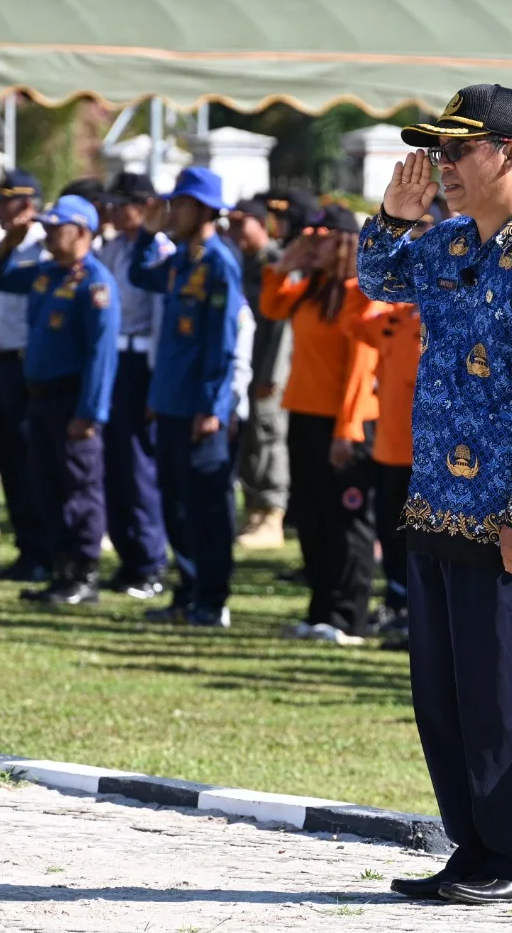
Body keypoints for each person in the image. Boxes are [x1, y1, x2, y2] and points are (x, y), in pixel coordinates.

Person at [359, 83, 512, 905]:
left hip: (506, 519)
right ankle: (473, 848)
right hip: (436, 504)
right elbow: (377, 277)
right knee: (449, 700)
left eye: (457, 150)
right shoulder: (454, 244)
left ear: (510, 154)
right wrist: (394, 214)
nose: (443, 166)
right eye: (438, 151)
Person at [0, 194, 120, 604]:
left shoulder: (95, 283)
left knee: (80, 488)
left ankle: (84, 574)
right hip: (40, 397)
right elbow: (3, 276)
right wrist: (11, 240)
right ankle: (60, 570)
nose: (45, 233)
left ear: (81, 232)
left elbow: (102, 355)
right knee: (47, 486)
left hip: (71, 399)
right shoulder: (47, 273)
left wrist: (89, 412)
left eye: (54, 226)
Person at [262, 204, 385, 644]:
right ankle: (320, 609)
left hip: (346, 426)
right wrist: (284, 265)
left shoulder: (363, 292)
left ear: (347, 243)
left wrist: (347, 431)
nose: (312, 246)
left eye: (323, 238)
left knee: (346, 520)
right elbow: (272, 306)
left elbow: (360, 370)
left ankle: (347, 616)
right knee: (313, 518)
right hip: (305, 416)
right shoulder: (315, 289)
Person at [128, 167, 243, 628]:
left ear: (206, 210)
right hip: (171, 401)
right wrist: (145, 233)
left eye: (181, 204)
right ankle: (187, 591)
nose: (172, 212)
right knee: (175, 503)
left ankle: (212, 601)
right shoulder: (180, 260)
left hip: (200, 409)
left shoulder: (219, 264)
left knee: (207, 508)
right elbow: (139, 275)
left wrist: (212, 407)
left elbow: (222, 343)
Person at [344, 213, 432, 649]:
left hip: (424, 453)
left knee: (419, 542)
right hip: (390, 450)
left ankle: (417, 614)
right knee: (391, 535)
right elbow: (356, 324)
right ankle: (399, 605)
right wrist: (364, 275)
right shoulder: (396, 316)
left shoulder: (439, 316)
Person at [97, 171, 173, 598]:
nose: (112, 209)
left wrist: (156, 382)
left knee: (139, 465)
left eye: (121, 202)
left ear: (145, 207)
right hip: (113, 357)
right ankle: (128, 556)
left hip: (141, 358)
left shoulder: (159, 251)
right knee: (113, 465)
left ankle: (149, 562)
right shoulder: (110, 249)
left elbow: (161, 321)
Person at [0, 169, 51, 584]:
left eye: (4, 203)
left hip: (30, 365)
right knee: (9, 461)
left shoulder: (45, 250)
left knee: (31, 461)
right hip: (3, 362)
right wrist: (8, 241)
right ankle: (27, 548)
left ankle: (41, 551)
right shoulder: (1, 250)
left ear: (26, 204)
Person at [227, 197, 290, 550]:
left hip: (268, 367)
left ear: (260, 222)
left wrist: (272, 373)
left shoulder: (276, 262)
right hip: (246, 365)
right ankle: (253, 511)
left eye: (241, 223)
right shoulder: (241, 262)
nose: (235, 231)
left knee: (268, 435)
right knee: (249, 437)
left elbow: (283, 327)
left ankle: (271, 513)